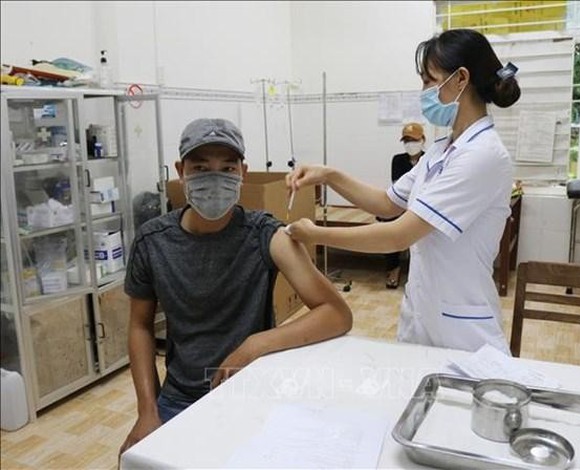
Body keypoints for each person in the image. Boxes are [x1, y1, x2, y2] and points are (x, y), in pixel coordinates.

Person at [119, 118, 352, 455]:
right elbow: (140, 325)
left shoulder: (265, 234)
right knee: (132, 461)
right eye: (201, 167)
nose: (215, 178)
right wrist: (147, 410)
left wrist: (255, 345)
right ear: (180, 170)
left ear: (243, 172)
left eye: (227, 168)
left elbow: (336, 313)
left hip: (250, 391)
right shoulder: (153, 242)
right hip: (180, 395)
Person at [285, 29, 520, 355]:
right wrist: (329, 175)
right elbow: (386, 202)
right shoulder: (441, 151)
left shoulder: (483, 155)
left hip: (464, 333)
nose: (423, 91)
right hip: (421, 317)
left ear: (460, 79)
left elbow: (398, 235)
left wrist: (316, 234)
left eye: (428, 80)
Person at [379, 122, 426, 289]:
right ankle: (394, 268)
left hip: (422, 205)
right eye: (406, 140)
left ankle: (418, 272)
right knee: (389, 223)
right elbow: (397, 186)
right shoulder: (398, 160)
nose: (410, 144)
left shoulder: (429, 160)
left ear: (422, 140)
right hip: (402, 203)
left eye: (413, 139)